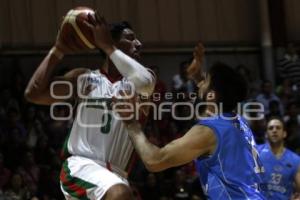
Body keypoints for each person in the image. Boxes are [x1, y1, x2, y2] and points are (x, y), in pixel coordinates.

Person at [25, 12, 155, 200]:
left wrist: (109, 48)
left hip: (117, 176)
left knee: (120, 192)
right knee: (119, 194)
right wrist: (57, 50)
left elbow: (144, 82)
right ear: (112, 41)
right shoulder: (84, 78)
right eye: (131, 38)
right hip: (82, 167)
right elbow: (34, 94)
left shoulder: (143, 81)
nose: (139, 44)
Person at [119, 43, 267, 199]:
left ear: (212, 95)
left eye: (205, 80)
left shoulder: (209, 131)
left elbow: (155, 160)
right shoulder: (238, 121)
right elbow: (211, 105)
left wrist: (131, 123)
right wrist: (197, 76)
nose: (200, 83)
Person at [257, 117, 300, 199]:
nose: (274, 130)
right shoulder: (255, 153)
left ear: (284, 133)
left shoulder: (295, 160)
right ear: (266, 134)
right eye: (271, 128)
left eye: (278, 128)